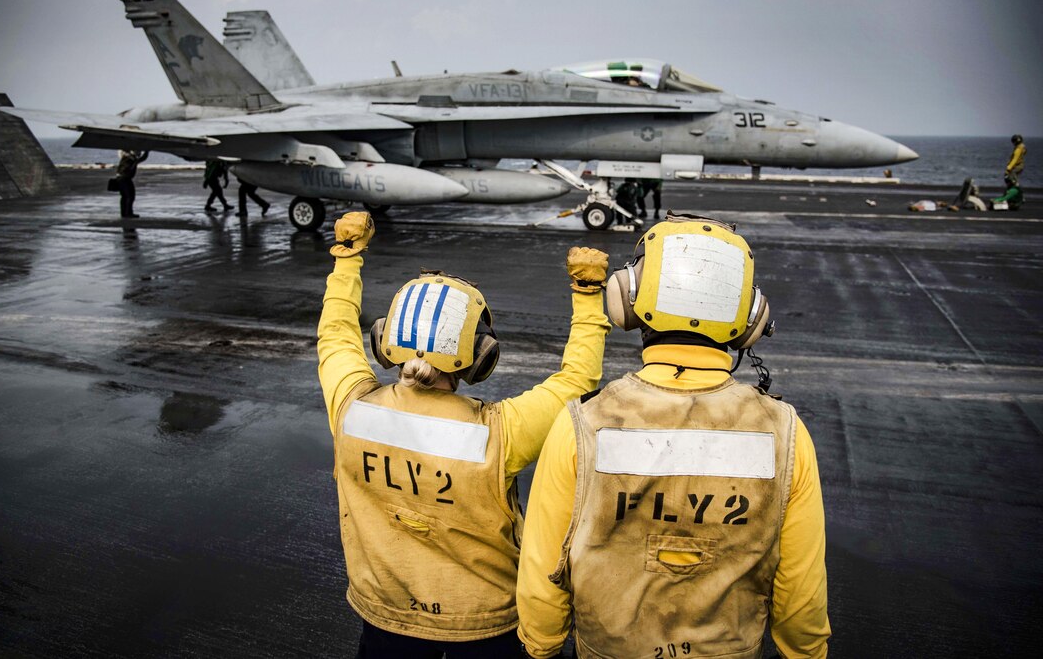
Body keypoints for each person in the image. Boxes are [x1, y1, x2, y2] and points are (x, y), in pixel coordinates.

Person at [517, 214, 831, 659]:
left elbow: (545, 561)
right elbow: (801, 586)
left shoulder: (582, 423)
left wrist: (542, 644)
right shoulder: (786, 433)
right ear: (751, 318)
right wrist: (807, 652)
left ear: (628, 299)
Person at [317, 212, 611, 658]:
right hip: (486, 627)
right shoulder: (501, 431)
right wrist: (588, 295)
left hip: (385, 618)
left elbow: (335, 335)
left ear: (385, 340)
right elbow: (577, 380)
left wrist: (347, 257)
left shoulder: (350, 408)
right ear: (478, 356)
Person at [116, 149, 148, 218]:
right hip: (125, 179)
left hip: (120, 178)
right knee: (130, 196)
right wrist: (147, 151)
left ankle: (124, 213)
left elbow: (142, 159)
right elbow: (142, 158)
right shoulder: (131, 159)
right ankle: (128, 213)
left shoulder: (125, 157)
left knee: (124, 197)